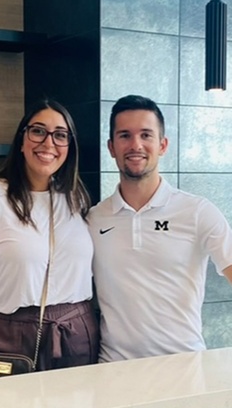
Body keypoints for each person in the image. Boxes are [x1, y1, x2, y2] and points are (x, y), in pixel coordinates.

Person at [0, 98, 99, 381]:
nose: (48, 143)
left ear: (69, 147)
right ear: (21, 140)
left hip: (77, 336)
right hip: (8, 336)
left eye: (60, 135)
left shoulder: (75, 198)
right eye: (38, 131)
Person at [88, 94, 232, 362]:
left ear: (162, 145)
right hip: (112, 370)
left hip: (184, 366)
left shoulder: (197, 211)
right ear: (111, 147)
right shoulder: (94, 219)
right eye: (124, 135)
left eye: (146, 135)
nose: (136, 145)